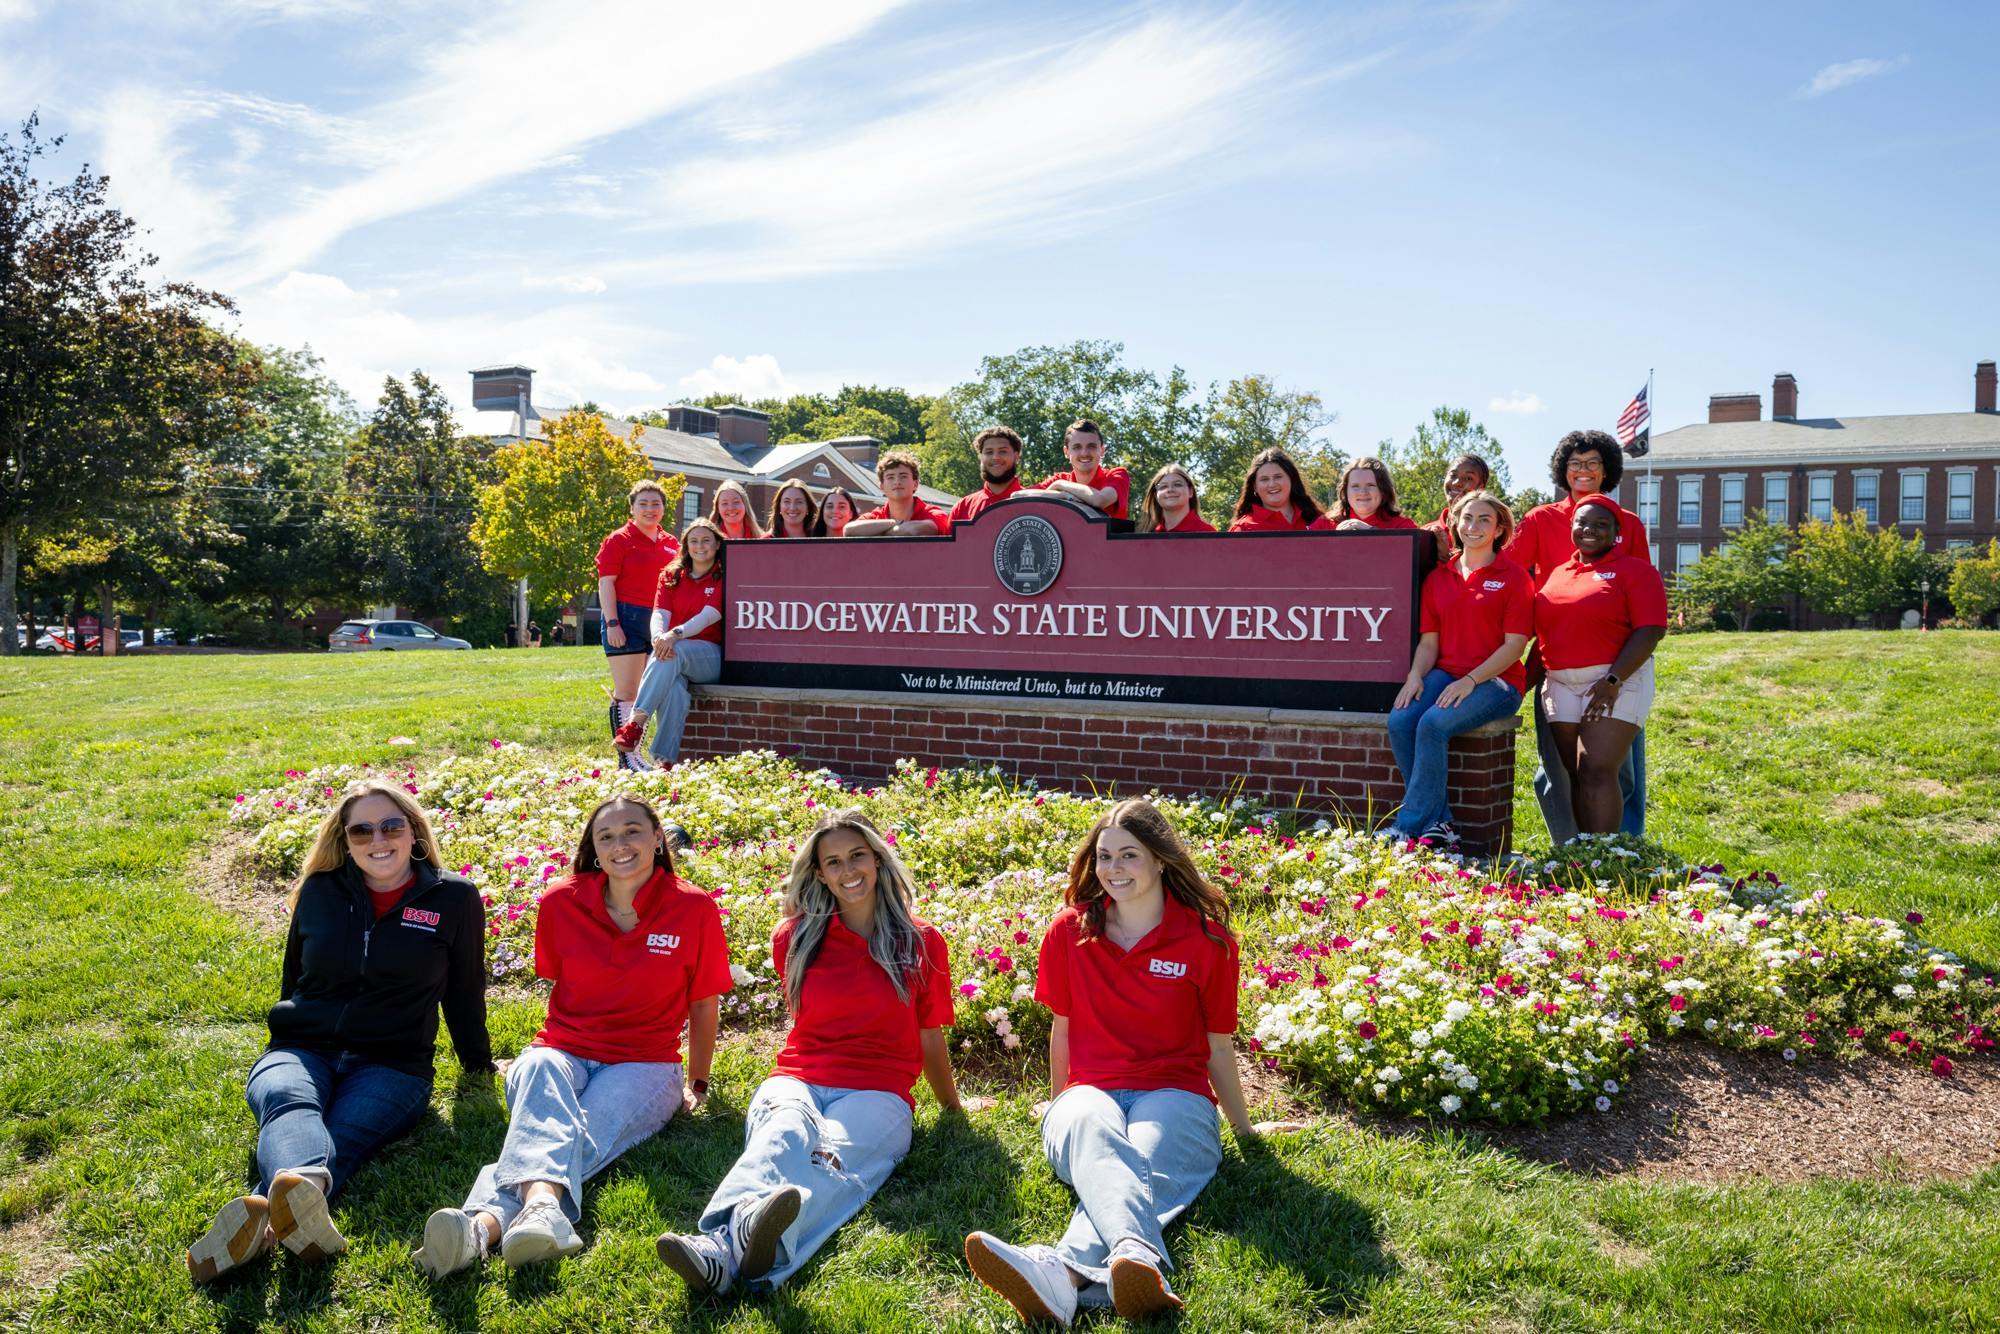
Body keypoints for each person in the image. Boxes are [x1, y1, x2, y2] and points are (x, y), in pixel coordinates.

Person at [963, 799, 1303, 1326]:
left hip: (1175, 1094)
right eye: (1104, 857)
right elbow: (1064, 1029)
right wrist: (1059, 1110)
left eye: (1129, 856)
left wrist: (1243, 1129)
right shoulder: (1069, 931)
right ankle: (1134, 1259)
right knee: (1091, 1126)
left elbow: (1216, 1046)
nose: (1114, 869)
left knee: (1142, 1156)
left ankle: (1062, 1275)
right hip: (1088, 1093)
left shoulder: (1206, 940)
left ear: (1161, 860)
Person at [655, 810, 986, 1294]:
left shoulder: (921, 940)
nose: (848, 870)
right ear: (818, 873)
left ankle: (721, 1252)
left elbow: (928, 1034)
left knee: (831, 1157)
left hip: (878, 1091)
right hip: (799, 1077)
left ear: (877, 859)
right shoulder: (795, 938)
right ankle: (737, 1238)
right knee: (785, 1130)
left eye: (857, 856)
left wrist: (952, 1106)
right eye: (833, 862)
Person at [187, 781, 490, 1284]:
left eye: (391, 824)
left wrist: (476, 1060)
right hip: (301, 1048)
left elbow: (464, 988)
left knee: (341, 1136)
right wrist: (285, 1036)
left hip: (394, 1064)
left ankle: (264, 1220)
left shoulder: (453, 897)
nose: (379, 838)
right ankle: (294, 1203)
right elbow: (294, 978)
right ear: (345, 840)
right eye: (362, 829)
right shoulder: (320, 892)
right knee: (288, 1099)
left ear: (413, 831)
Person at [416, 797, 729, 1276]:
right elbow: (558, 976)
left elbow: (704, 1002)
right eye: (607, 836)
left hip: (644, 1063)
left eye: (632, 831)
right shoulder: (561, 901)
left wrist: (699, 1082)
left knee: (573, 1131)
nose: (620, 844)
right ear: (594, 848)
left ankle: (479, 1228)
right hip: (560, 1050)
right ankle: (543, 1212)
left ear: (658, 839)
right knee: (540, 1070)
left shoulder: (693, 908)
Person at [1510, 429, 1653, 843]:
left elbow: (1639, 596)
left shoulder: (1628, 524)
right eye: (1575, 463)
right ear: (1563, 470)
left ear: (1607, 469)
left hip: (1612, 656)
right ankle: (1568, 847)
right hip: (1552, 653)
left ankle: (1624, 848)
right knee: (1557, 763)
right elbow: (1516, 578)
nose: (1583, 471)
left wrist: (1619, 672)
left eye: (1593, 463)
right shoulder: (1540, 519)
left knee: (1613, 765)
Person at [1384, 491, 1532, 843]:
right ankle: (1442, 822)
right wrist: (1415, 676)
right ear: (1455, 523)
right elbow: (1430, 643)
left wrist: (1471, 680)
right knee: (1401, 719)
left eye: (1484, 520)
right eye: (1467, 518)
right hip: (1446, 673)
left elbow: (1515, 646)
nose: (1474, 526)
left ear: (1498, 530)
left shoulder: (1513, 577)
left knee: (1434, 723)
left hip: (1497, 682)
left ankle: (1407, 827)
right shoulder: (1440, 577)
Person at [1533, 497, 1667, 836]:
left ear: (1617, 533)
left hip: (1613, 681)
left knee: (1597, 768)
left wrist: (1612, 679)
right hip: (1560, 684)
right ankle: (1583, 856)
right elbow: (1543, 634)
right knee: (1576, 772)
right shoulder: (1558, 575)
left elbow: (1651, 629)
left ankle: (1607, 859)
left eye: (1600, 524)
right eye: (1582, 522)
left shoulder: (1636, 571)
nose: (1589, 529)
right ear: (1572, 528)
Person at [613, 519, 725, 768]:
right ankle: (665, 762)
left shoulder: (723, 575)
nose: (700, 546)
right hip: (673, 653)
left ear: (717, 544)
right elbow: (659, 613)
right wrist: (658, 637)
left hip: (711, 657)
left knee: (677, 649)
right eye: (694, 541)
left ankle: (636, 723)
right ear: (686, 545)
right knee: (673, 689)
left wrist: (673, 635)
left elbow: (710, 615)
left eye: (706, 540)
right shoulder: (672, 575)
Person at [595, 480, 680, 772]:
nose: (649, 509)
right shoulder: (619, 539)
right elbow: (606, 583)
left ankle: (639, 756)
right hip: (625, 618)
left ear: (664, 509)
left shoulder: (672, 543)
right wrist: (612, 623)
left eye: (656, 504)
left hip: (658, 620)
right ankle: (627, 759)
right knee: (628, 692)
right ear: (632, 507)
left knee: (647, 694)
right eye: (643, 503)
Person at [1026, 419, 1130, 520]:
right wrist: (1063, 495)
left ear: (1102, 450)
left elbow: (1099, 500)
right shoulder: (1059, 478)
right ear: (1066, 452)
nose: (1084, 453)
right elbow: (1017, 496)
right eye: (1077, 447)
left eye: (1091, 446)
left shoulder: (1117, 475)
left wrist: (1059, 484)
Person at [844, 453, 952, 537]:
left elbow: (914, 531)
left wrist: (879, 533)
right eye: (890, 477)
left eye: (903, 476)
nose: (897, 482)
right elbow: (849, 531)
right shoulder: (875, 517)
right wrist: (896, 523)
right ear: (882, 486)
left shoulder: (935, 514)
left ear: (915, 484)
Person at [945, 427, 1028, 527]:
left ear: (1016, 457)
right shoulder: (963, 507)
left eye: (1003, 451)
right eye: (989, 452)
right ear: (981, 457)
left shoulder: (1032, 504)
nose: (995, 457)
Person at [1225, 447, 1323, 532]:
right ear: (1255, 486)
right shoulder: (1243, 529)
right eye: (1264, 479)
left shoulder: (1319, 522)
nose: (1272, 484)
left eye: (1278, 477)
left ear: (1292, 479)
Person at [1311, 456, 1420, 531]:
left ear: (1383, 491)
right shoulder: (1324, 524)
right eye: (1355, 486)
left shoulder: (1403, 527)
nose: (1363, 492)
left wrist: (1371, 532)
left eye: (1370, 485)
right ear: (1345, 491)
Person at [1139, 464, 1215, 533]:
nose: (1170, 490)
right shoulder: (1148, 534)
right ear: (1155, 495)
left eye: (1177, 485)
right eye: (1163, 486)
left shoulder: (1207, 533)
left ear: (1190, 492)